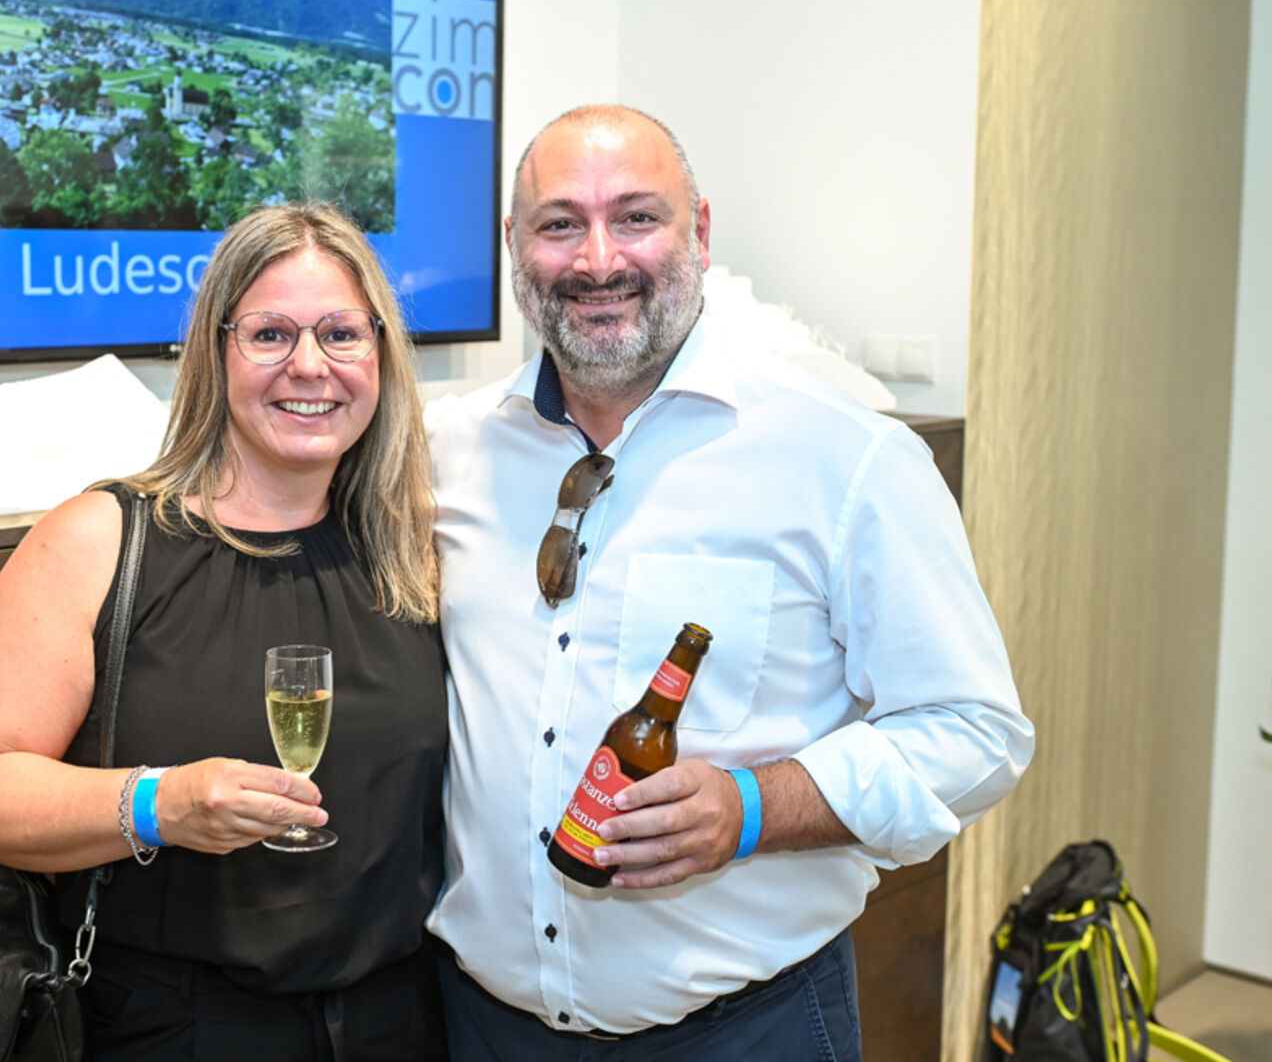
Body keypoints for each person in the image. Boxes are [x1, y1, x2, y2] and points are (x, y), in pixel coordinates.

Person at [424, 104, 1034, 1058]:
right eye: (559, 224)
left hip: (748, 1032)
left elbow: (975, 733)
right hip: (482, 1027)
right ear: (513, 245)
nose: (598, 259)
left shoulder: (846, 458)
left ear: (700, 233)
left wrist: (754, 809)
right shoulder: (448, 453)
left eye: (636, 217)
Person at [0, 202, 448, 1060]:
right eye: (271, 334)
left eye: (342, 334)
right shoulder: (102, 539)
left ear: (382, 355)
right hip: (176, 1031)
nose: (310, 365)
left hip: (401, 1022)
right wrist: (160, 804)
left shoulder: (415, 550)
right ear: (216, 351)